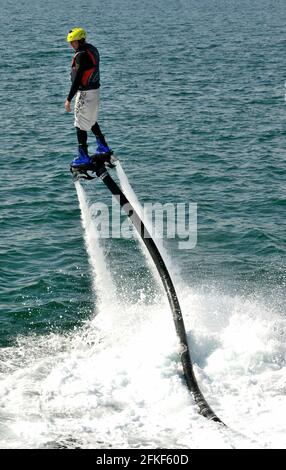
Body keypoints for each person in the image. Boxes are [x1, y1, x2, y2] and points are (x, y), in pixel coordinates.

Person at [65, 28, 111, 166]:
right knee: (91, 120)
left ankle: (83, 156)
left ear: (81, 40)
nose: (72, 45)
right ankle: (103, 146)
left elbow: (78, 79)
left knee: (79, 123)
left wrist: (68, 99)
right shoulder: (92, 49)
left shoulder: (81, 55)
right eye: (71, 42)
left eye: (74, 42)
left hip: (85, 94)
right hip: (95, 91)